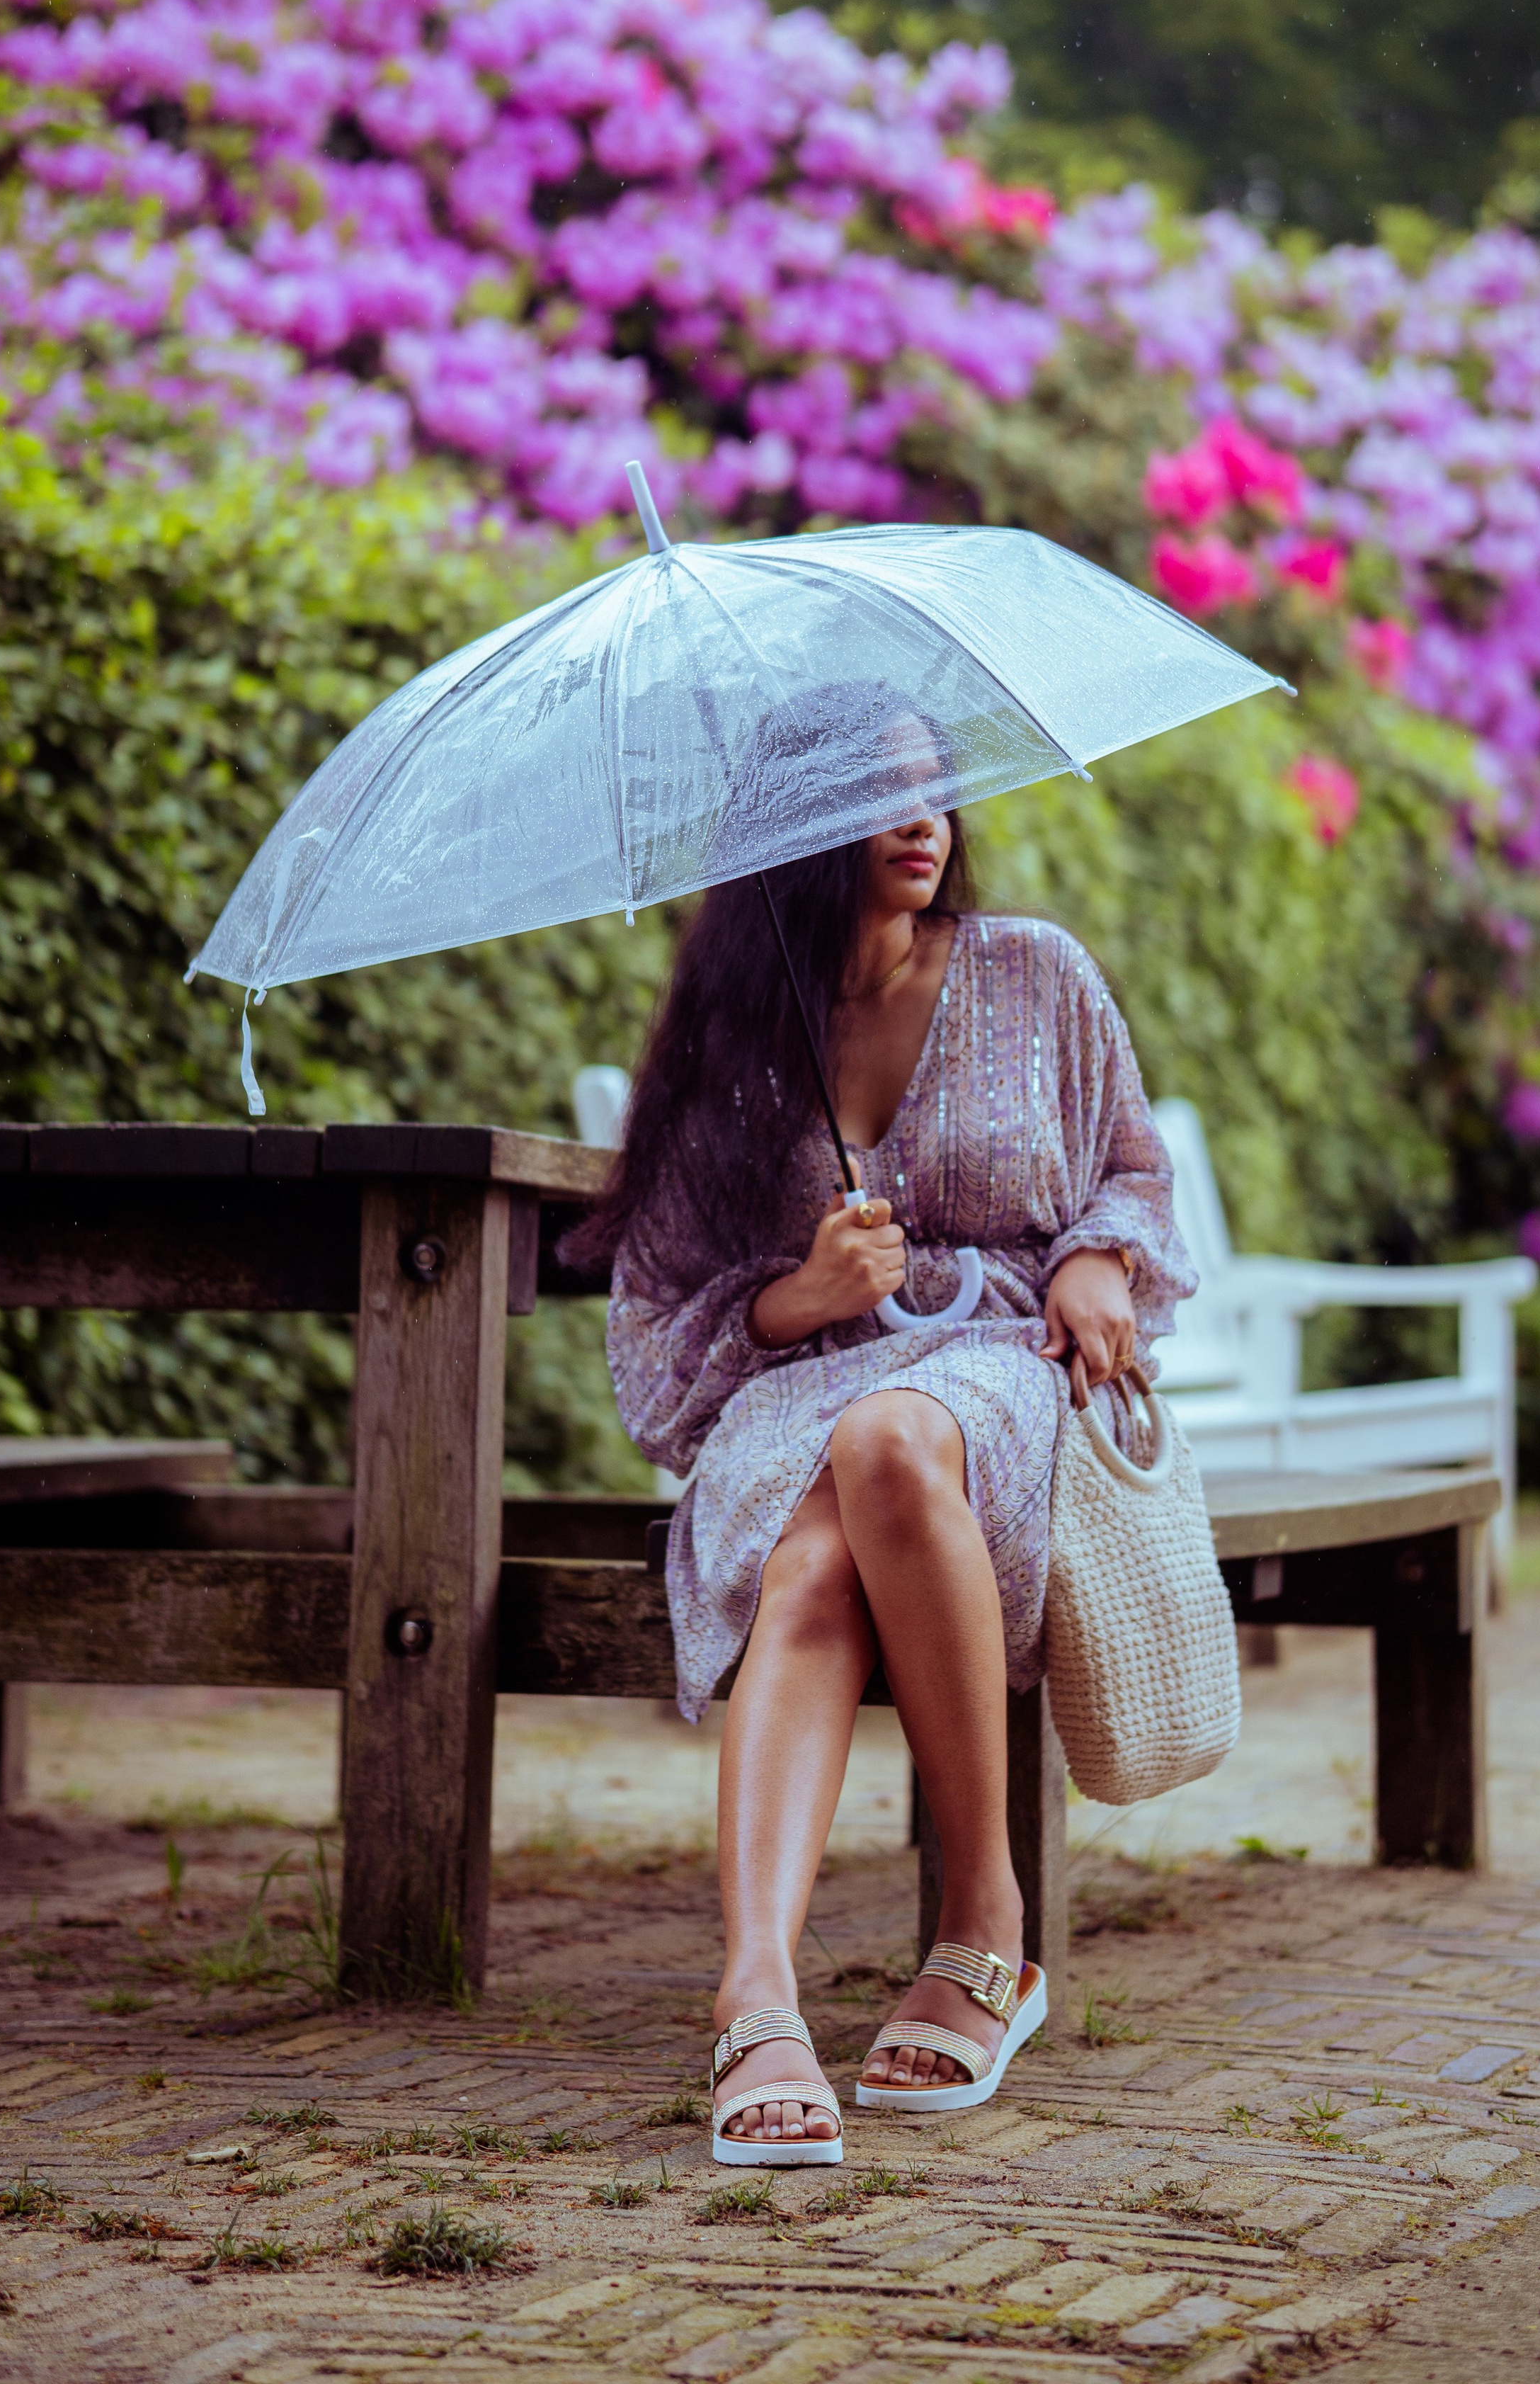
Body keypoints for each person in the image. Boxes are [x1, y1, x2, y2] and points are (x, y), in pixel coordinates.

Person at [574, 800, 1195, 2159]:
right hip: (790, 1398)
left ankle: (985, 1915)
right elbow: (658, 1322)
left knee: (893, 1441)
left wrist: (1098, 1257)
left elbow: (1135, 1177)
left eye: (932, 789)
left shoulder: (1036, 972)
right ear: (800, 831)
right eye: (876, 795)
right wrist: (802, 1295)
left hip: (1002, 1371)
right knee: (810, 1559)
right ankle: (757, 1995)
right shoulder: (731, 1038)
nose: (922, 819)